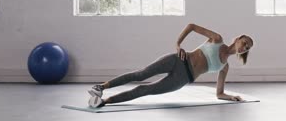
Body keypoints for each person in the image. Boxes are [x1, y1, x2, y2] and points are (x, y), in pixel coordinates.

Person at [87, 23, 254, 108]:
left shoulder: (225, 67)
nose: (244, 47)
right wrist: (178, 45)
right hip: (178, 59)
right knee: (141, 74)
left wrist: (231, 97)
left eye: (247, 47)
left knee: (144, 90)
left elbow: (219, 93)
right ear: (238, 38)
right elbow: (192, 26)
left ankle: (104, 102)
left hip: (182, 79)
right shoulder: (217, 39)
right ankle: (101, 86)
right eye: (244, 42)